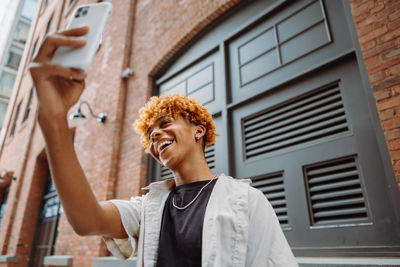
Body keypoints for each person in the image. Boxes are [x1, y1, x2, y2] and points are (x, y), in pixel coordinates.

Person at [30, 26, 298, 267]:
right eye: (150, 133)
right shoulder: (148, 206)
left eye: (165, 123)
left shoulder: (247, 201)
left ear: (198, 130)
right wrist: (53, 120)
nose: (156, 133)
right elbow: (87, 220)